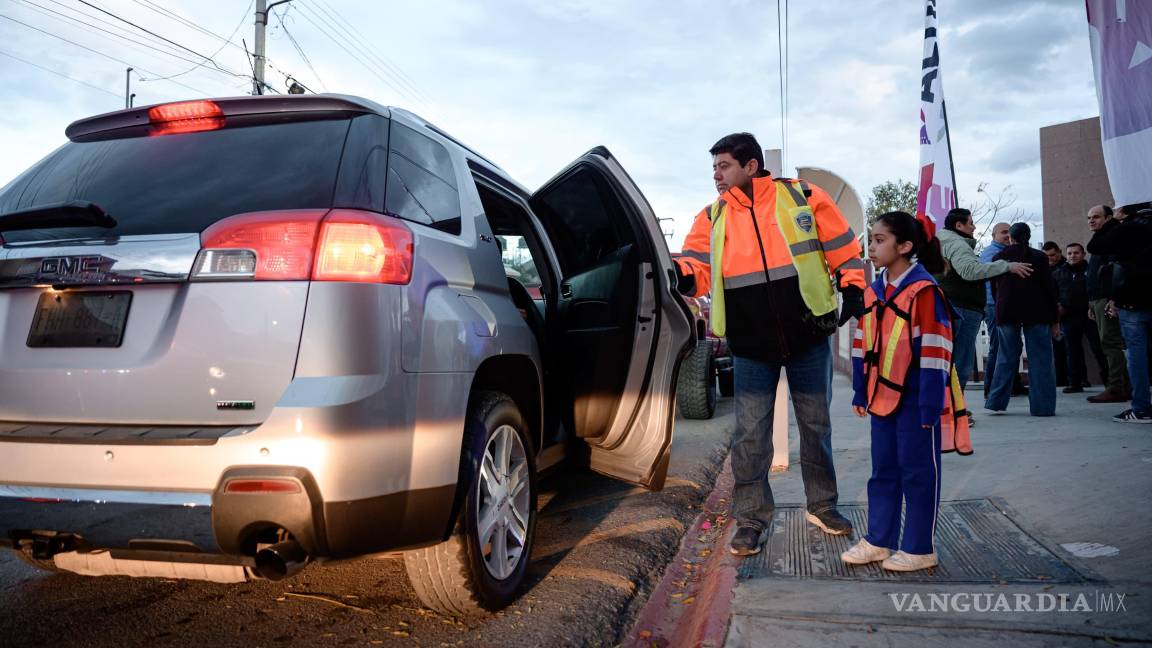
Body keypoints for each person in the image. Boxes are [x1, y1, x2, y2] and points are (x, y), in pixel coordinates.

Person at [674, 132, 866, 556]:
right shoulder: (712, 216)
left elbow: (842, 248)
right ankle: (751, 520)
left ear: (751, 166)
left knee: (816, 427)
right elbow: (696, 264)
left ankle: (822, 506)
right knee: (750, 437)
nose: (717, 176)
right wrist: (680, 274)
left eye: (723, 166)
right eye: (714, 168)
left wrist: (853, 288)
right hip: (749, 342)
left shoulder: (803, 197)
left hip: (807, 333)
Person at [841, 211, 971, 572]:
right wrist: (859, 391)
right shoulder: (873, 291)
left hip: (916, 400)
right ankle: (879, 540)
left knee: (918, 472)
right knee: (883, 470)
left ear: (906, 246)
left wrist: (931, 405)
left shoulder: (925, 292)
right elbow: (859, 344)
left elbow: (935, 353)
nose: (872, 246)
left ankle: (918, 547)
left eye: (880, 240)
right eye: (872, 239)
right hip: (882, 398)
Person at [933, 208, 1031, 401]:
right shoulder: (957, 243)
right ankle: (955, 409)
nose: (974, 227)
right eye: (971, 223)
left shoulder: (941, 242)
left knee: (949, 360)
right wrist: (1007, 266)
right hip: (962, 309)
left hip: (952, 307)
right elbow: (970, 270)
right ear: (959, 225)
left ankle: (948, 407)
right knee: (961, 361)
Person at [985, 223, 1059, 416]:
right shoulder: (1040, 257)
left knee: (1006, 356)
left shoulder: (999, 258)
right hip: (1037, 311)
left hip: (1007, 310)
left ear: (1011, 237)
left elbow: (995, 289)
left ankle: (996, 401)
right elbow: (1049, 290)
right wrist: (1055, 320)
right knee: (1041, 359)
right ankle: (1043, 407)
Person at [1087, 202, 1152, 424]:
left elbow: (1095, 245)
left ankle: (1142, 408)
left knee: (1136, 355)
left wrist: (1114, 221)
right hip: (1132, 300)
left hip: (1133, 302)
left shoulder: (1128, 228)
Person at [1085, 205, 1132, 404]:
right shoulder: (1101, 238)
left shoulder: (1112, 237)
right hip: (1098, 300)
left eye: (1096, 217)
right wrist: (1091, 303)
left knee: (1111, 343)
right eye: (1089, 218)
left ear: (1109, 218)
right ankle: (1119, 387)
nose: (1091, 221)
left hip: (1107, 300)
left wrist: (1114, 299)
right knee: (1109, 343)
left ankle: (1117, 388)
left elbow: (1117, 271)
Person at [1053, 243, 1108, 393]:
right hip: (1068, 317)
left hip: (1090, 316)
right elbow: (1053, 293)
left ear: (1083, 254)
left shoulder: (1092, 271)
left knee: (1099, 348)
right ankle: (1076, 383)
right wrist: (1057, 305)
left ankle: (1110, 383)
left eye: (1076, 253)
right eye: (1069, 253)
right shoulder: (1059, 273)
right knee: (1072, 351)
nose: (1073, 256)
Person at [980, 222, 1026, 399]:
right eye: (1003, 232)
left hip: (1005, 305)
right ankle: (991, 388)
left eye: (1009, 232)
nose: (1007, 235)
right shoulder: (992, 254)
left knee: (1011, 346)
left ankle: (1012, 385)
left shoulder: (1007, 252)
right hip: (994, 306)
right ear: (993, 236)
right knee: (998, 346)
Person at [1043, 241, 1070, 387]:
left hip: (1067, 313)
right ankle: (1061, 379)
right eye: (1047, 256)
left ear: (1059, 252)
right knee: (1057, 349)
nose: (1050, 259)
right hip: (1053, 315)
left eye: (1053, 255)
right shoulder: (1045, 270)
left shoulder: (1066, 268)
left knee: (1069, 348)